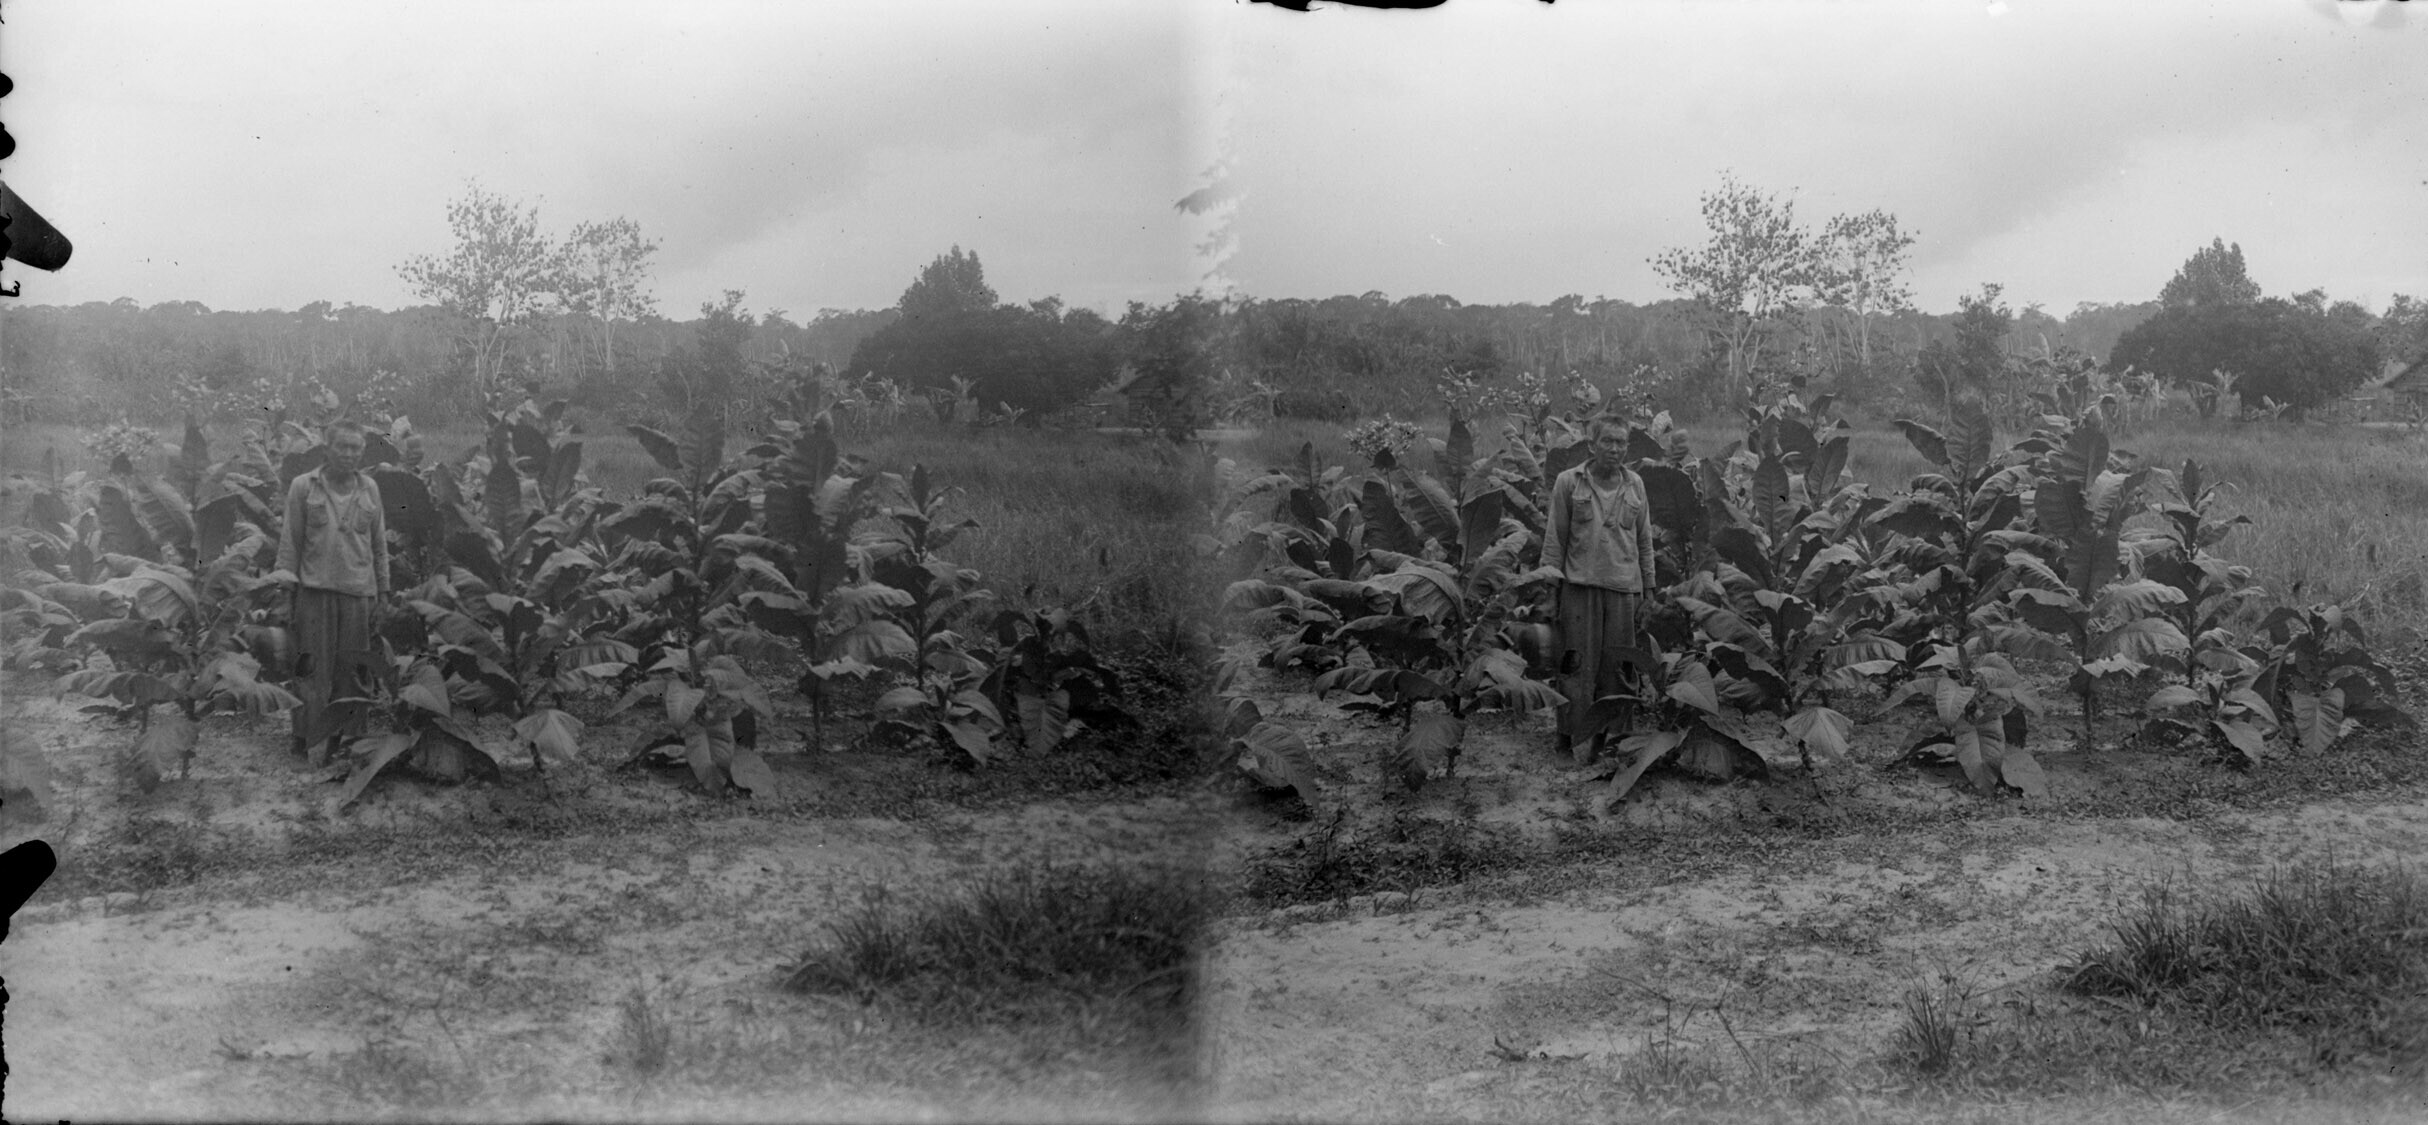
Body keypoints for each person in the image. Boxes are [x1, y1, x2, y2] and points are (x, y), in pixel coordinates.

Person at [1540, 419, 1656, 766]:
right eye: (1608, 441)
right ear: (1592, 445)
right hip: (1579, 588)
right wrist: (1550, 592)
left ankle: (1605, 742)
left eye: (1621, 443)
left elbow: (1644, 540)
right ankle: (1564, 741)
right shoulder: (1569, 482)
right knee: (1574, 667)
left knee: (1618, 671)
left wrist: (1649, 591)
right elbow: (1555, 539)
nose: (1615, 449)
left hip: (1623, 590)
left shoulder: (1635, 485)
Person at [274, 421, 390, 763]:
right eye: (343, 447)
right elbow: (290, 543)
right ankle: (303, 738)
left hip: (357, 594)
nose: (349, 454)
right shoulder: (303, 487)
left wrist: (383, 593)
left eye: (356, 448)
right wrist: (285, 595)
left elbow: (379, 545)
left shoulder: (370, 489)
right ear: (327, 449)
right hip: (314, 593)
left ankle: (348, 740)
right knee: (310, 669)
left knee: (353, 672)